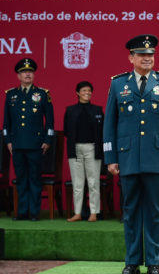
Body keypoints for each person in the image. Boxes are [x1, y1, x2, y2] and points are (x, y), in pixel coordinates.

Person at [103, 35, 159, 274]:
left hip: (157, 158)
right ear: (131, 58)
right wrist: (110, 158)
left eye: (150, 55)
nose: (147, 58)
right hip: (127, 157)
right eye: (141, 55)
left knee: (155, 212)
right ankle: (131, 261)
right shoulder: (118, 84)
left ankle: (153, 261)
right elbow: (110, 124)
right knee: (130, 212)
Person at [3, 58, 54, 221]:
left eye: (30, 72)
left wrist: (47, 140)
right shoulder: (11, 95)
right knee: (21, 179)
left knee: (34, 179)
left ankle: (34, 212)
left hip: (35, 144)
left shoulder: (42, 94)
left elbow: (50, 121)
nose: (27, 74)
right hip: (17, 144)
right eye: (24, 72)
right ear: (18, 76)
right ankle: (22, 212)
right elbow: (6, 122)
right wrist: (8, 141)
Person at [64, 81, 104, 222]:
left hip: (92, 148)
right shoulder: (70, 110)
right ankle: (78, 213)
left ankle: (94, 212)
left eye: (89, 90)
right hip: (75, 149)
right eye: (84, 90)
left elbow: (102, 131)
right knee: (78, 183)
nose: (87, 93)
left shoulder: (98, 110)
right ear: (77, 93)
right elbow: (67, 131)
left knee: (93, 182)